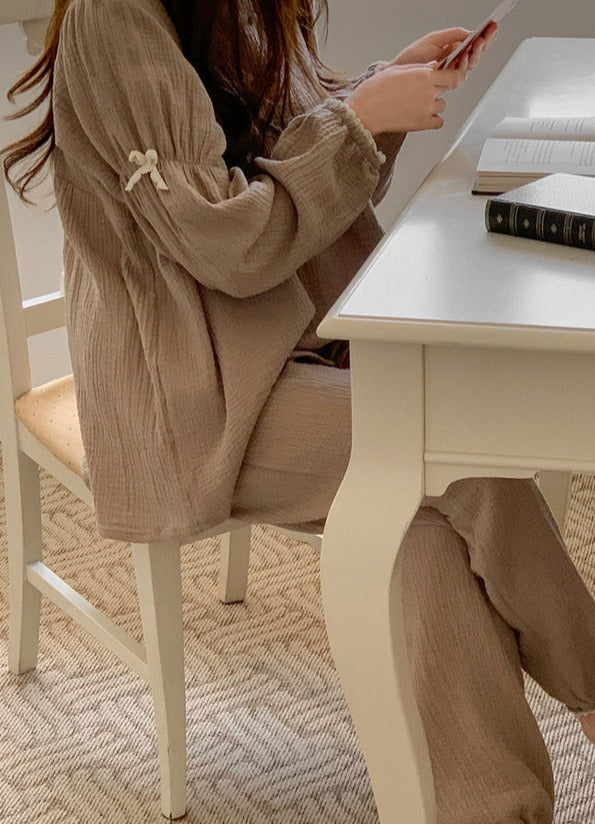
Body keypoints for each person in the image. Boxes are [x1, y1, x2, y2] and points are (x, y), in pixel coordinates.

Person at [2, 1, 595, 821]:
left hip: (289, 343)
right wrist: (360, 119)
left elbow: (299, 172)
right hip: (186, 393)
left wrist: (381, 94)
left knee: (418, 528)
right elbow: (230, 243)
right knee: (457, 463)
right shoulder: (115, 18)